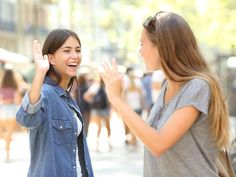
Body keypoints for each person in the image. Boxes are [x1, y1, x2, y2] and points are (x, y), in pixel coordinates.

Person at [99, 11, 230, 177]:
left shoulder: (198, 86)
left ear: (162, 47)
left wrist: (118, 100)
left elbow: (158, 144)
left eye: (142, 44)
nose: (139, 51)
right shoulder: (168, 85)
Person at [16, 29, 94, 177]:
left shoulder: (67, 98)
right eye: (67, 51)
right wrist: (40, 73)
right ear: (51, 59)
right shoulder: (45, 93)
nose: (75, 56)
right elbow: (27, 118)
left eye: (78, 50)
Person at [0, 67, 21, 161]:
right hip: (12, 109)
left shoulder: (1, 87)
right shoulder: (15, 87)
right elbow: (17, 100)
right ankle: (8, 155)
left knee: (5, 133)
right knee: (9, 133)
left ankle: (7, 148)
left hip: (3, 109)